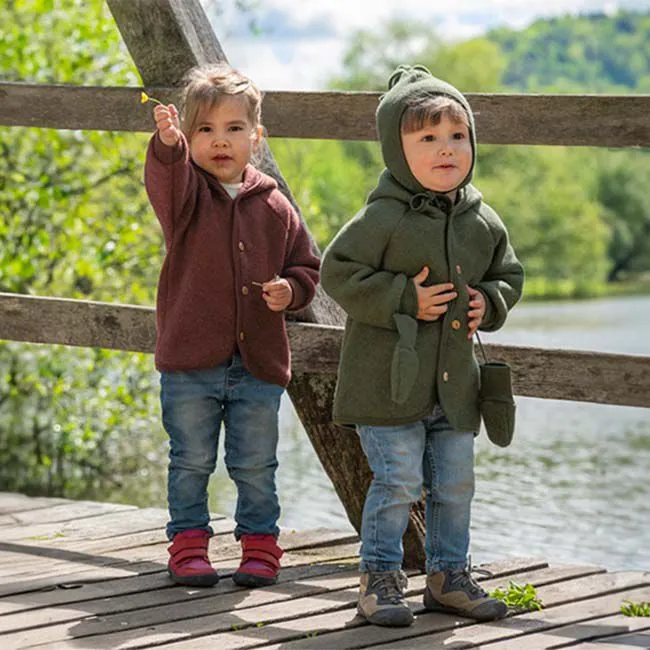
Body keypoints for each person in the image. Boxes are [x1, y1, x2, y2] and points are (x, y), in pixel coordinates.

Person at [321, 64, 524, 627]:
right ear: (396, 148)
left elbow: (509, 273)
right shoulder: (382, 216)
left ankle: (447, 576)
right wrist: (402, 297)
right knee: (399, 481)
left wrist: (490, 299)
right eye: (427, 138)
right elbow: (337, 271)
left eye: (457, 136)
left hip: (457, 384)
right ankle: (379, 578)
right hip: (389, 380)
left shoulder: (482, 219)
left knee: (456, 483)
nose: (446, 149)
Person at [144, 63, 320, 588]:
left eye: (233, 129)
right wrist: (169, 146)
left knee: (255, 464)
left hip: (258, 366)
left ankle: (261, 545)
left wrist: (292, 290)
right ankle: (189, 544)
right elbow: (166, 178)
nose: (220, 141)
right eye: (205, 130)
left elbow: (307, 265)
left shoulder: (275, 204)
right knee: (191, 459)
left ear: (256, 137)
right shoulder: (186, 196)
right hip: (189, 363)